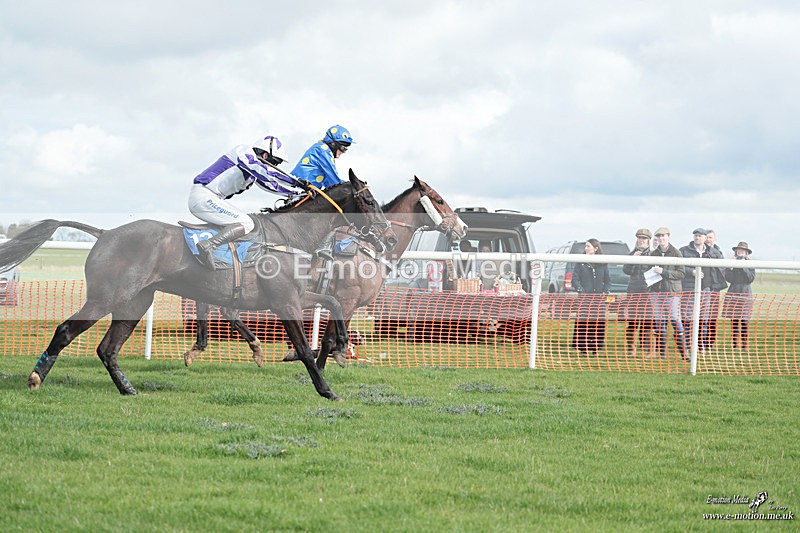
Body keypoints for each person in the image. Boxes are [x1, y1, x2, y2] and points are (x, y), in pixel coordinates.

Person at [188, 135, 303, 266]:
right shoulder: (243, 151)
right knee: (246, 223)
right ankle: (208, 245)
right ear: (265, 155)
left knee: (246, 221)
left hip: (211, 199)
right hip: (203, 196)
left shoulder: (253, 174)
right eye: (275, 162)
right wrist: (295, 182)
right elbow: (266, 172)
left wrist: (298, 193)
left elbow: (271, 185)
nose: (275, 166)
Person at [291, 125, 355, 259]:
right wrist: (353, 188)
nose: (344, 151)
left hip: (308, 192)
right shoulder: (323, 149)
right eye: (343, 147)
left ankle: (324, 245)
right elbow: (335, 180)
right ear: (333, 143)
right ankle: (323, 246)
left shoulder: (325, 151)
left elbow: (329, 184)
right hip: (299, 192)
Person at [679, 228, 726, 352]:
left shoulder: (713, 252)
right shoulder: (684, 251)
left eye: (700, 236)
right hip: (689, 289)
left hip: (706, 290)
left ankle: (701, 345)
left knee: (703, 319)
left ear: (705, 238)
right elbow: (679, 266)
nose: (697, 238)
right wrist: (692, 272)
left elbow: (722, 267)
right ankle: (688, 344)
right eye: (695, 235)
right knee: (687, 318)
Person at [648, 227, 688, 359]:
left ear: (668, 237)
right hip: (656, 292)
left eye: (663, 236)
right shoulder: (653, 254)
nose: (661, 238)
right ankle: (662, 354)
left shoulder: (676, 252)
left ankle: (684, 354)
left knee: (676, 321)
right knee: (659, 323)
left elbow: (681, 273)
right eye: (658, 236)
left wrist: (664, 272)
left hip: (672, 293)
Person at [571, 239, 611, 354]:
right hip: (584, 299)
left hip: (599, 300)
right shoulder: (580, 263)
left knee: (597, 323)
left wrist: (605, 292)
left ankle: (596, 348)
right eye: (585, 246)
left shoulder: (603, 264)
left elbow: (608, 281)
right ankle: (584, 348)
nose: (586, 248)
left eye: (588, 246)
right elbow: (575, 279)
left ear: (596, 249)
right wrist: (581, 291)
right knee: (584, 323)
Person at [622, 228, 652, 357]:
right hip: (633, 291)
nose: (641, 241)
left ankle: (648, 349)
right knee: (633, 321)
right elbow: (626, 270)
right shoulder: (632, 253)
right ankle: (632, 349)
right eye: (640, 238)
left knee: (648, 322)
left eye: (644, 238)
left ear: (648, 241)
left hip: (648, 292)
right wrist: (633, 260)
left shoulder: (653, 254)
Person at [723, 242, 756, 349]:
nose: (740, 252)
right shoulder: (732, 263)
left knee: (745, 320)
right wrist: (730, 266)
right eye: (738, 250)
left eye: (742, 250)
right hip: (733, 292)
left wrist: (743, 266)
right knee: (734, 320)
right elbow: (729, 278)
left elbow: (750, 278)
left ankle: (745, 343)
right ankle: (735, 343)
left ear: (746, 253)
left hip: (745, 293)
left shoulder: (750, 264)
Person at [704, 229, 725, 348]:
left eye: (710, 237)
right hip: (702, 287)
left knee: (712, 315)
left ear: (714, 239)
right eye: (706, 237)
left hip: (714, 289)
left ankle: (710, 341)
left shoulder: (718, 253)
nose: (708, 239)